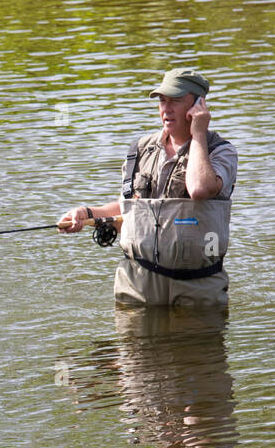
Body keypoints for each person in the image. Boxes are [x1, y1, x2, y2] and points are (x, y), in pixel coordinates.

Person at [57, 68, 237, 308]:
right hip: (137, 287)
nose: (166, 109)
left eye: (176, 100)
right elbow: (130, 214)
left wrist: (198, 134)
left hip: (197, 290)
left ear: (198, 106)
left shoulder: (220, 151)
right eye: (163, 100)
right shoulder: (140, 149)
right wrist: (87, 213)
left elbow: (199, 189)